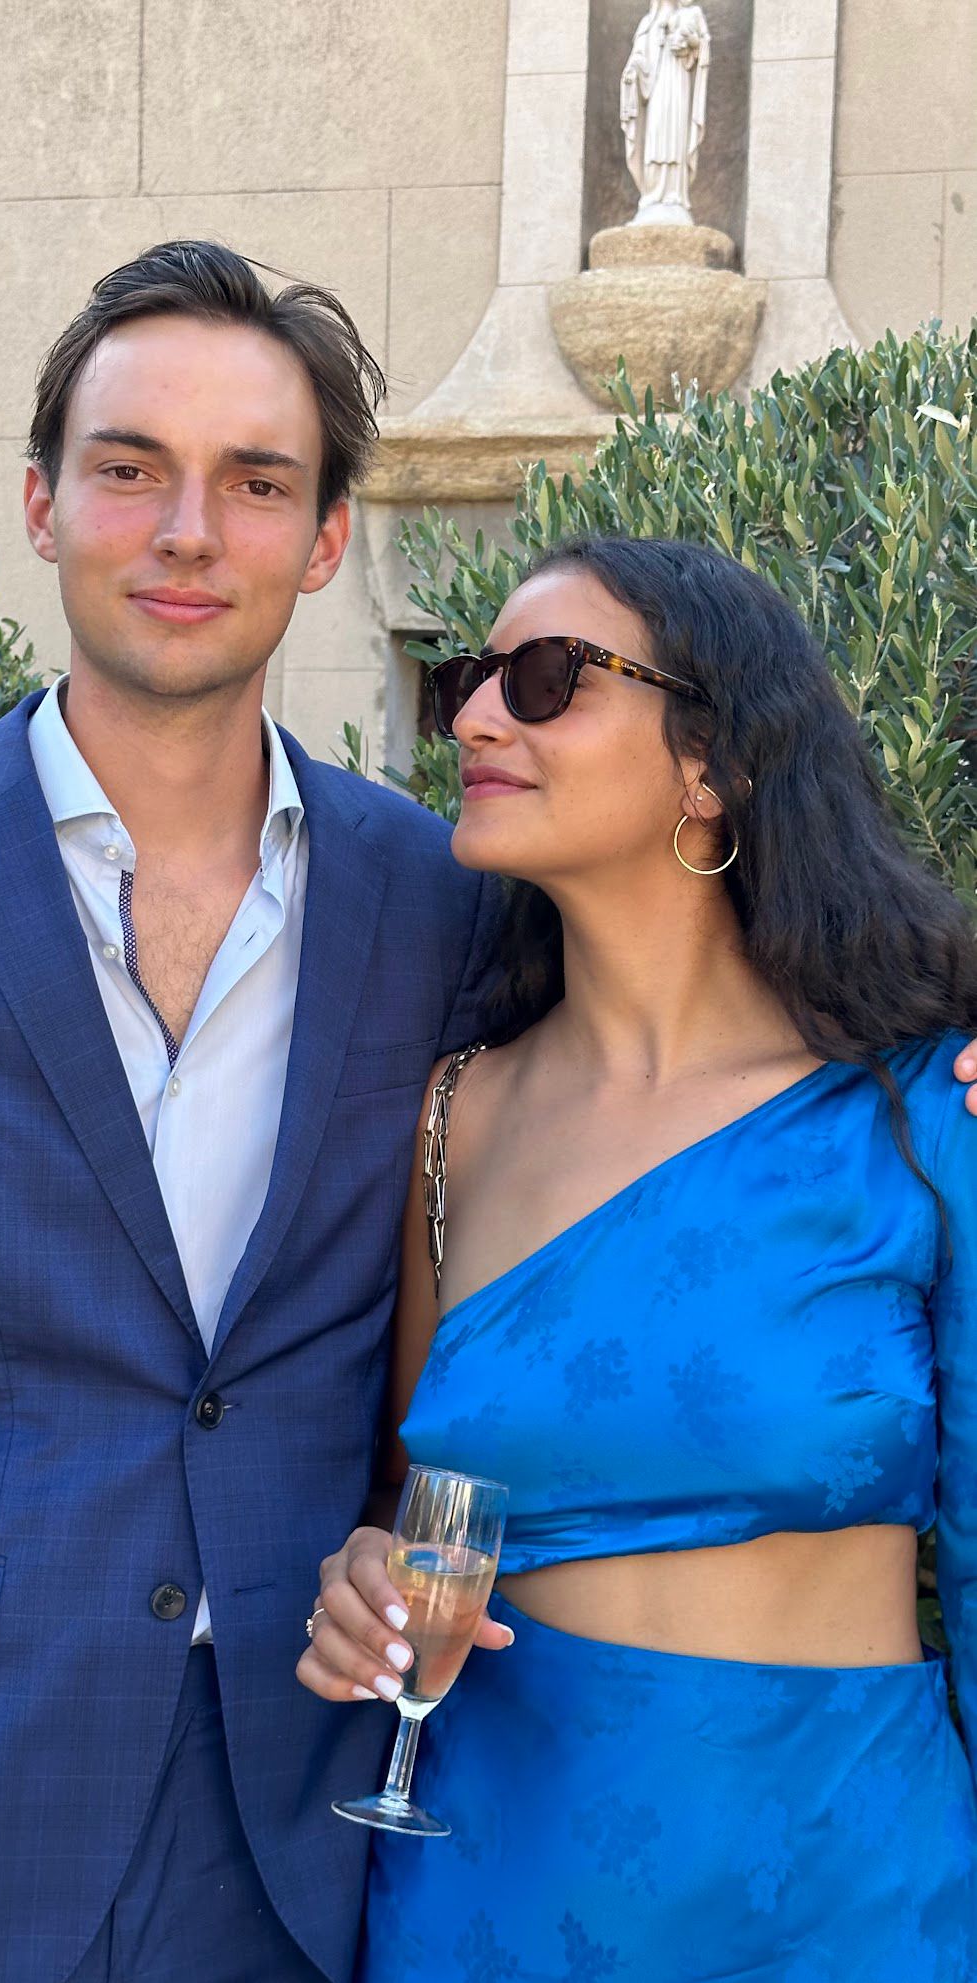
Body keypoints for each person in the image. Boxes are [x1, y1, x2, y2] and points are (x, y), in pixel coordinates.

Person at [0, 240, 506, 1983]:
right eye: (130, 468)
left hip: (290, 1827)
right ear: (41, 503)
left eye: (255, 482)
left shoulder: (445, 902)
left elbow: (689, 1051)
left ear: (325, 543)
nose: (188, 531)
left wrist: (929, 1040)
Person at [298, 535, 977, 1980]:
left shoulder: (918, 1111)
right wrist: (363, 1574)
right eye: (478, 678)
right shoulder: (449, 1120)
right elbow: (406, 1508)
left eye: (548, 680)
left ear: (712, 764)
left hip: (846, 1899)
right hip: (491, 1893)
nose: (476, 713)